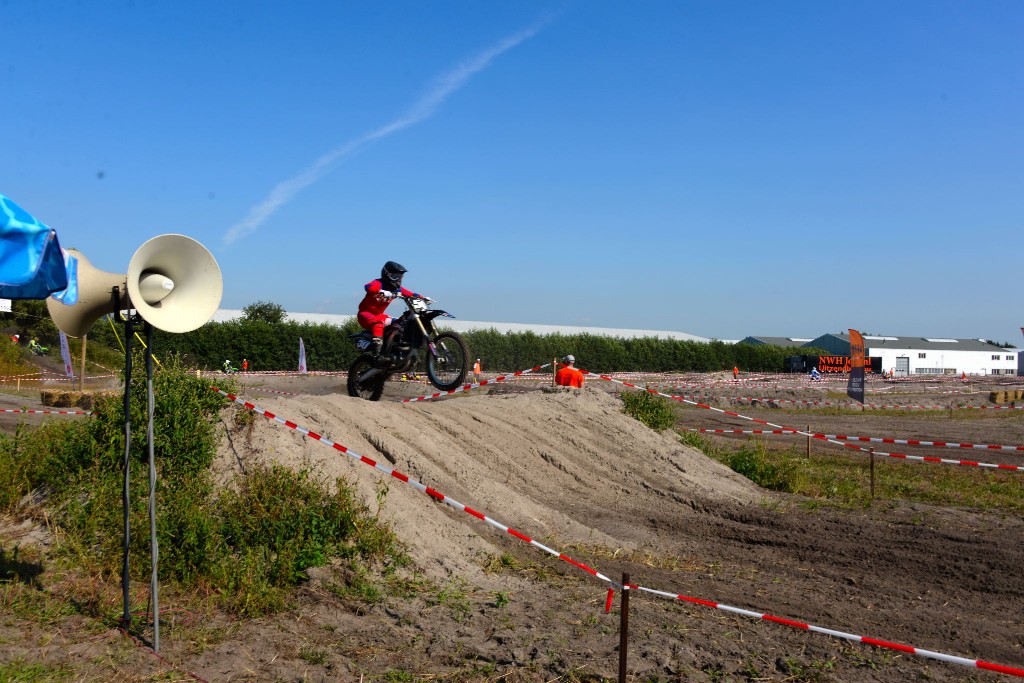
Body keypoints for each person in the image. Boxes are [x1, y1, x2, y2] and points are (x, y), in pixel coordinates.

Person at [357, 261, 429, 357]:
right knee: (378, 323)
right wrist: (381, 291)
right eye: (395, 276)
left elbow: (410, 294)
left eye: (400, 277)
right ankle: (377, 351)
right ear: (387, 274)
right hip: (365, 314)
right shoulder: (379, 283)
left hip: (380, 315)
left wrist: (423, 297)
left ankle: (393, 349)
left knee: (399, 324)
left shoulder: (396, 289)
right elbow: (368, 286)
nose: (398, 279)